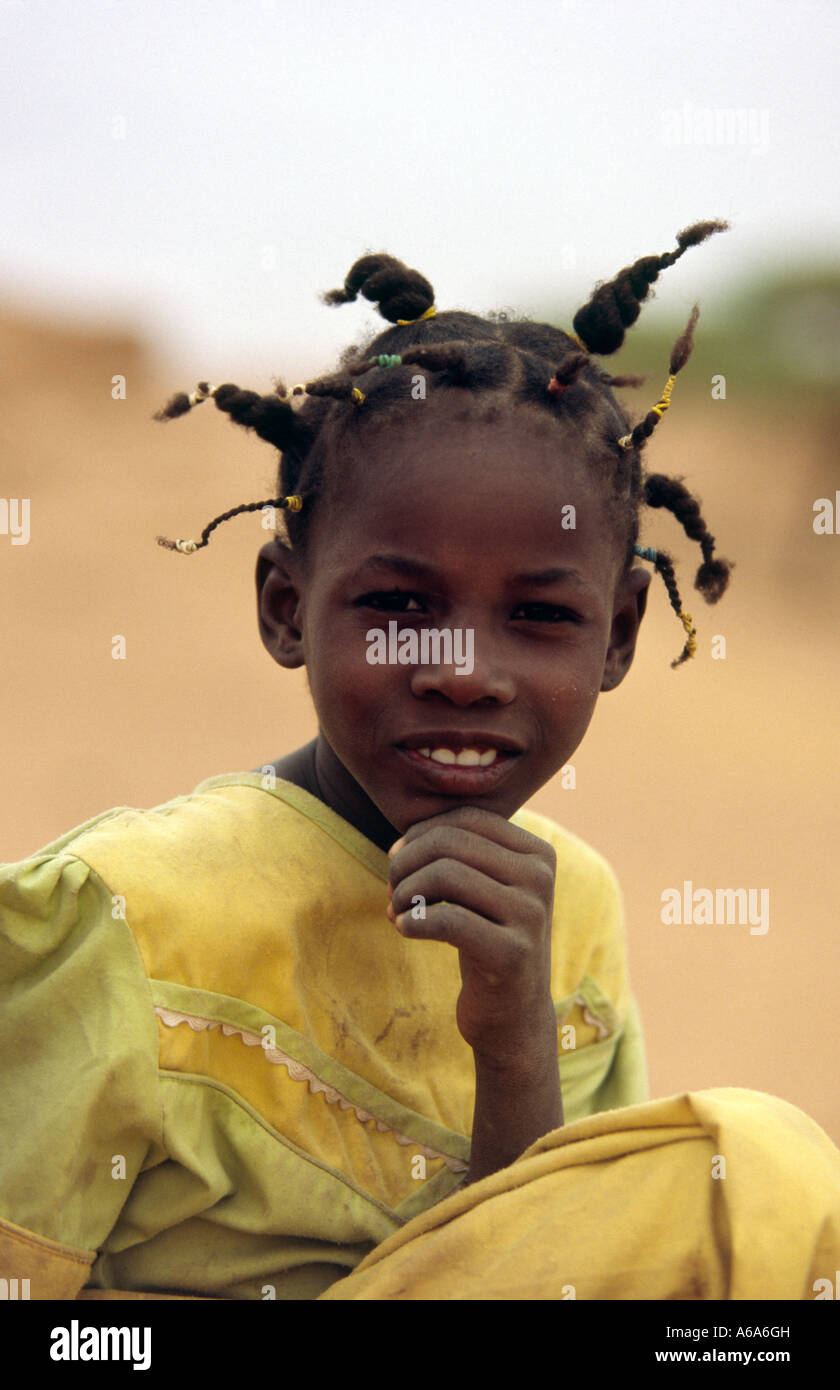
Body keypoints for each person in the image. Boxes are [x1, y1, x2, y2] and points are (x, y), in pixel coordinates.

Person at [2, 224, 839, 1302]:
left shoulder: (569, 911)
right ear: (287, 605)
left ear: (621, 634)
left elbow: (548, 1268)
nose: (461, 671)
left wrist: (515, 1041)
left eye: (539, 614)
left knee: (765, 1211)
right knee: (763, 1170)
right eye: (400, 605)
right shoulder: (131, 915)